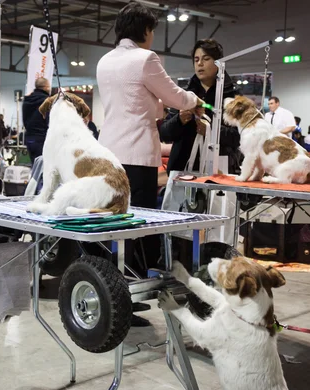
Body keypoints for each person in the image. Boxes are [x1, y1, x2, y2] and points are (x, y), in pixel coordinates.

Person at [97, 2, 203, 326]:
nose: (154, 36)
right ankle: (129, 300)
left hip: (107, 153)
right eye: (153, 30)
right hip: (137, 155)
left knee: (108, 225)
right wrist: (194, 100)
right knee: (136, 229)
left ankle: (111, 297)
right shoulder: (145, 59)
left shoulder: (105, 61)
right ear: (145, 30)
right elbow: (175, 97)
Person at [159, 38, 241, 174]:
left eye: (206, 58)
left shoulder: (233, 97)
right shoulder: (184, 95)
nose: (200, 63)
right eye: (196, 60)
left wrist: (211, 130)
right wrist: (179, 120)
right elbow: (165, 134)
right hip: (183, 168)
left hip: (220, 170)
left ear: (218, 63)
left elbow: (239, 137)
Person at [22, 78, 51, 164]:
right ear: (45, 87)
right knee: (43, 166)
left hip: (29, 138)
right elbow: (48, 120)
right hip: (42, 138)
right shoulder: (46, 101)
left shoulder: (27, 100)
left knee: (34, 165)